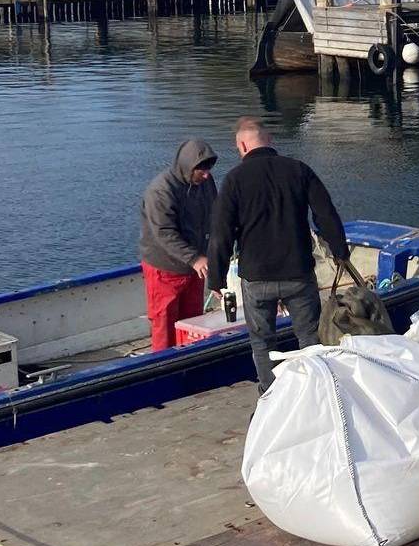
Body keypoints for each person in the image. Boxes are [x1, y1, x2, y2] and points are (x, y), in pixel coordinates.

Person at [206, 117, 350, 391]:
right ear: (269, 140)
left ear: (242, 146)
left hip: (257, 276)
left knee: (262, 342)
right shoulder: (299, 170)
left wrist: (216, 278)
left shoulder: (235, 179)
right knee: (309, 338)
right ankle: (316, 391)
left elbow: (221, 233)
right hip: (298, 272)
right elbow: (326, 215)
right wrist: (340, 252)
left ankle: (270, 396)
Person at [139, 139, 218, 352]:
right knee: (164, 324)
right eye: (201, 169)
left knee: (193, 323)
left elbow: (215, 215)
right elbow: (164, 233)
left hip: (194, 268)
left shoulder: (206, 183)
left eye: (208, 169)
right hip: (165, 269)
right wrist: (195, 258)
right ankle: (162, 363)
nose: (206, 174)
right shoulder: (161, 191)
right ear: (187, 166)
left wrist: (216, 258)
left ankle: (192, 361)